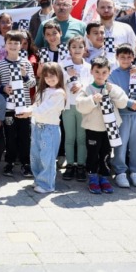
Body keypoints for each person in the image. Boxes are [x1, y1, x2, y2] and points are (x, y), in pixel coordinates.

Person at [75, 56, 129, 195]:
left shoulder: (113, 88)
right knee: (93, 153)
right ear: (92, 72)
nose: (100, 75)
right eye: (97, 72)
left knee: (106, 153)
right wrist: (92, 99)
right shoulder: (87, 89)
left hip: (110, 128)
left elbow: (123, 103)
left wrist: (113, 92)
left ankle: (104, 177)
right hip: (93, 128)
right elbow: (80, 106)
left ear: (109, 72)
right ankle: (93, 176)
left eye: (104, 72)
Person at [107, 44, 136, 189]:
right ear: (117, 58)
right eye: (122, 57)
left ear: (133, 57)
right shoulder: (113, 74)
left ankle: (135, 171)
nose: (126, 60)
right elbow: (113, 94)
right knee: (121, 143)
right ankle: (120, 171)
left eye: (129, 57)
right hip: (123, 113)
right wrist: (129, 103)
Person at [0, 31, 36, 177]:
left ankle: (26, 163)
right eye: (10, 43)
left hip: (23, 106)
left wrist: (25, 76)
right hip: (8, 107)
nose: (13, 46)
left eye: (16, 43)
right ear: (5, 45)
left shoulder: (26, 63)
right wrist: (3, 88)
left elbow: (32, 84)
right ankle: (9, 162)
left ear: (21, 45)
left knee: (25, 135)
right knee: (10, 135)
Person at [29, 62, 66, 194]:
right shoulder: (42, 91)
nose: (50, 79)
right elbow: (35, 106)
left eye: (53, 75)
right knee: (36, 155)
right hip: (37, 125)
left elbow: (44, 109)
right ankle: (39, 179)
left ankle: (47, 184)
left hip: (50, 128)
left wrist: (29, 112)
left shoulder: (59, 93)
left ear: (59, 76)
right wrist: (28, 110)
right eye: (46, 76)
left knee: (47, 157)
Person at [60, 35, 91, 182]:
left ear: (85, 49)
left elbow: (92, 86)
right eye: (74, 47)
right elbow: (58, 83)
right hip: (68, 107)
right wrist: (68, 75)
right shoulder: (63, 65)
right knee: (70, 137)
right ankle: (70, 164)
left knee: (81, 137)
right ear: (69, 49)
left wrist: (81, 86)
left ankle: (81, 165)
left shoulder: (88, 67)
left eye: (80, 47)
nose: (77, 50)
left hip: (82, 107)